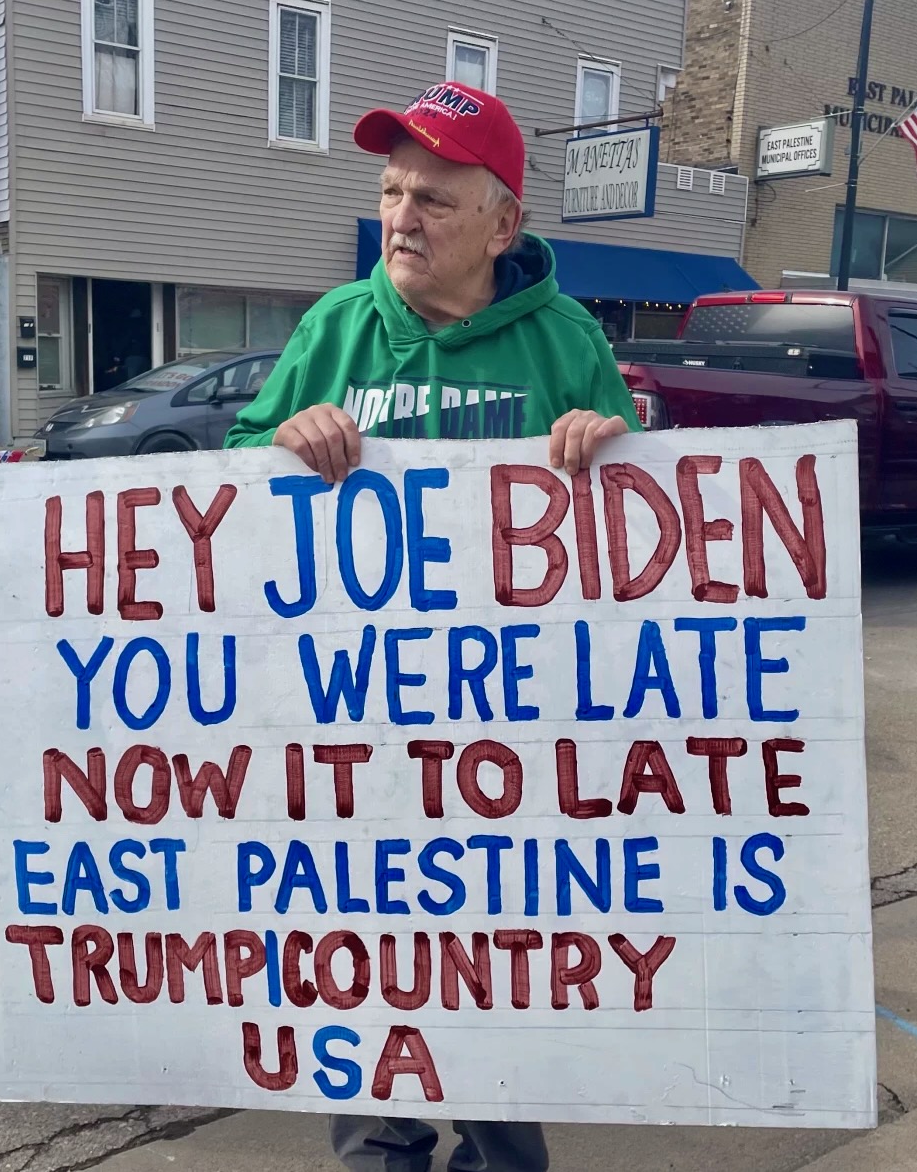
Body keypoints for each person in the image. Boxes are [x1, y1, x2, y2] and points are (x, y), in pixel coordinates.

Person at [225, 81, 640, 1172]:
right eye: (392, 191)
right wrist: (278, 441)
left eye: (435, 200)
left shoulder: (563, 342)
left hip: (513, 749)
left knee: (496, 986)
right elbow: (218, 492)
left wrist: (611, 446)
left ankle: (499, 1143)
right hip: (355, 743)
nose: (401, 217)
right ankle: (380, 1144)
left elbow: (655, 537)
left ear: (503, 224)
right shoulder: (334, 327)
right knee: (367, 979)